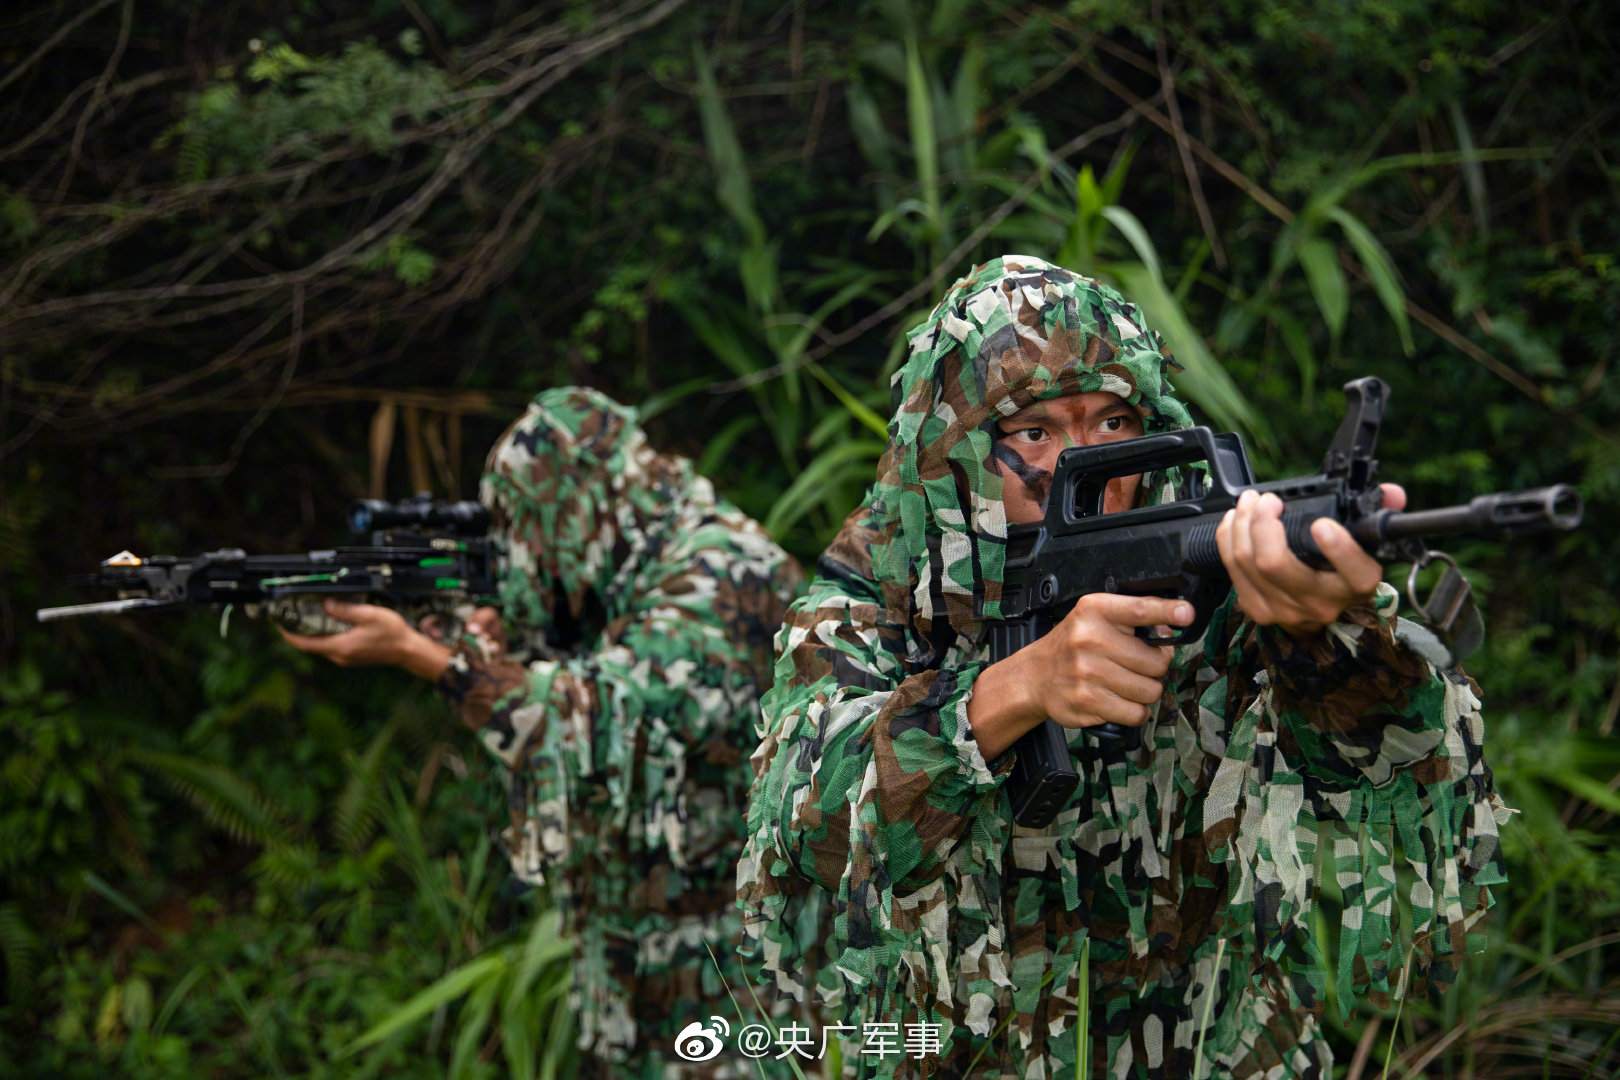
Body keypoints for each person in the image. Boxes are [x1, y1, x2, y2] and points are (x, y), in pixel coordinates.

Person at [736, 256, 1510, 1079]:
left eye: (1113, 425)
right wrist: (1011, 693)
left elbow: (1411, 769)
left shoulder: (1207, 565)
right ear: (953, 448)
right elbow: (804, 827)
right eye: (1034, 432)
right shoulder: (887, 580)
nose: (1087, 469)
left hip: (1213, 1048)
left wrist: (1327, 635)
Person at [281, 386, 806, 1078]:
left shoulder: (719, 571)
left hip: (725, 983)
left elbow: (596, 724)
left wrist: (422, 655)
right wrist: (478, 638)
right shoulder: (632, 562)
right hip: (631, 975)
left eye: (531, 525)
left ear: (582, 501)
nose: (524, 552)